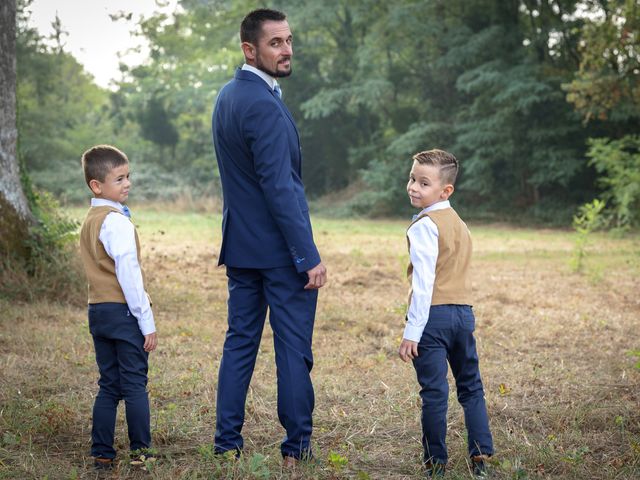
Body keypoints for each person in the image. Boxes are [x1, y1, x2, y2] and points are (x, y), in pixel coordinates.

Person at [211, 8, 327, 467]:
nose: (287, 50)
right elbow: (280, 188)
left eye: (289, 40)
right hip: (280, 254)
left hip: (241, 247)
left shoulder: (227, 97)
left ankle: (226, 445)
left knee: (239, 342)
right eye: (276, 42)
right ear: (250, 49)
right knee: (293, 348)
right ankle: (296, 449)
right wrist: (308, 256)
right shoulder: (262, 103)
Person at [398, 149, 494, 477]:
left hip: (433, 319)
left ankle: (435, 463)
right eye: (412, 178)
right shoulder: (460, 225)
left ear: (445, 190)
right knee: (471, 387)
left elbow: (424, 283)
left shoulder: (424, 226)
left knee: (435, 392)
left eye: (423, 183)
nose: (413, 186)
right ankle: (481, 457)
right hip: (464, 315)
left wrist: (412, 331)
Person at [79, 145, 158, 470]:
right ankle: (141, 453)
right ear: (97, 185)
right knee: (135, 383)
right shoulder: (117, 222)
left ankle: (102, 453)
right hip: (123, 311)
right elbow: (128, 274)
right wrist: (146, 320)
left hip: (98, 310)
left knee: (109, 384)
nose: (127, 183)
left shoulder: (90, 220)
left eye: (128, 176)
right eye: (119, 178)